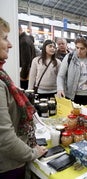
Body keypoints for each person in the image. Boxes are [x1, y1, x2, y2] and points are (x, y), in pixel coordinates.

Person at [0, 17, 47, 179]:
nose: (11, 44)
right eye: (5, 38)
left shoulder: (2, 76)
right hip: (8, 166)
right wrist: (33, 152)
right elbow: (5, 138)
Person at [57, 35, 87, 107]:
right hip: (72, 96)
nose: (79, 51)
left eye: (82, 48)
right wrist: (60, 88)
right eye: (77, 47)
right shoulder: (69, 57)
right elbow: (61, 76)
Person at [19, 25, 36, 90]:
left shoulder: (23, 41)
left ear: (19, 29)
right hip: (28, 73)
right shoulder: (28, 39)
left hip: (25, 75)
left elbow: (26, 61)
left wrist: (22, 76)